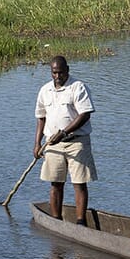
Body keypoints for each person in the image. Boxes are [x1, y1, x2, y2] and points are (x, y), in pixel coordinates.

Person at [34, 55, 97, 224]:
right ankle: (56, 219)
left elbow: (85, 115)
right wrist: (37, 144)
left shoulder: (78, 87)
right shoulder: (45, 90)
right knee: (56, 183)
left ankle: (80, 222)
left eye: (61, 72)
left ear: (67, 70)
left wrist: (63, 133)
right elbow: (41, 118)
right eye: (54, 73)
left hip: (77, 142)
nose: (57, 76)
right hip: (52, 144)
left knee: (79, 183)